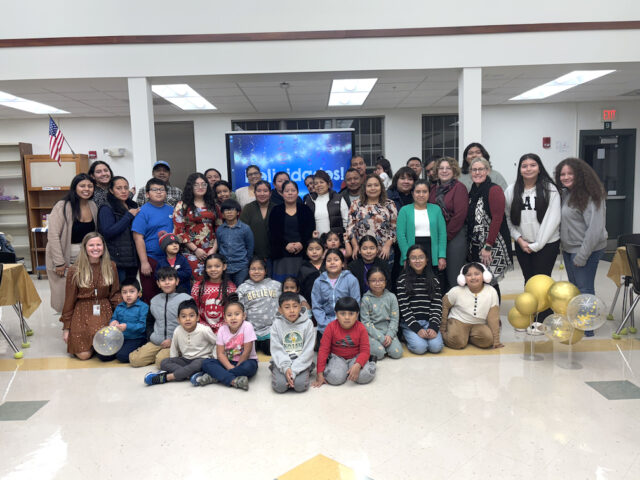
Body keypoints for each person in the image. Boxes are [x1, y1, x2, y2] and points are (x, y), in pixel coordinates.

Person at [60, 232, 121, 360]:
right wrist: (66, 328)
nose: (95, 248)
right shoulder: (74, 270)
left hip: (104, 309)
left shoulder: (111, 266)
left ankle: (95, 345)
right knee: (83, 355)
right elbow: (69, 300)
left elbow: (115, 294)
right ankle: (93, 346)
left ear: (103, 247)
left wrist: (121, 317)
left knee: (106, 349)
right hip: (82, 311)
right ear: (85, 248)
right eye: (91, 245)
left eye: (98, 244)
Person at [554, 158, 607, 297]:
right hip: (569, 249)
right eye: (562, 174)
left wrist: (582, 255)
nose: (565, 177)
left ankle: (587, 319)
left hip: (585, 249)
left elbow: (595, 229)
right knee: (575, 289)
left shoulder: (592, 195)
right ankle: (579, 317)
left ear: (580, 174)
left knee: (585, 290)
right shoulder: (567, 193)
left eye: (570, 173)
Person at [505, 153, 561, 284]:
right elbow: (508, 218)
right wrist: (519, 239)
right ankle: (530, 305)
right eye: (524, 166)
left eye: (533, 165)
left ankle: (545, 306)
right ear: (519, 169)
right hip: (523, 245)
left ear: (539, 168)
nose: (528, 169)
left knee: (542, 281)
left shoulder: (550, 189)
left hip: (547, 244)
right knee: (529, 280)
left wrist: (537, 245)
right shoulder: (511, 190)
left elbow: (552, 221)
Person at [46, 173, 97, 313]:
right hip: (65, 255)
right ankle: (67, 324)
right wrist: (59, 262)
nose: (86, 189)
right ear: (75, 188)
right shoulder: (63, 206)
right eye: (82, 186)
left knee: (85, 290)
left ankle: (81, 322)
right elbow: (53, 236)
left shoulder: (93, 205)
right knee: (65, 293)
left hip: (86, 255)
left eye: (90, 186)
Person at [467, 157, 513, 300]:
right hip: (476, 244)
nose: (477, 172)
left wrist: (488, 246)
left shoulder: (494, 189)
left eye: (481, 169)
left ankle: (493, 317)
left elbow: (498, 218)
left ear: (487, 171)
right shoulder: (473, 191)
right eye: (474, 170)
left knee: (490, 281)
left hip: (492, 244)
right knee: (480, 280)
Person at [192, 295, 259, 390]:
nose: (233, 318)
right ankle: (233, 380)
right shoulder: (222, 329)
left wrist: (235, 367)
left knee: (249, 367)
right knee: (206, 363)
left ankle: (215, 377)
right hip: (228, 362)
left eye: (237, 314)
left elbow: (247, 352)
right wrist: (229, 367)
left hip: (246, 361)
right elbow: (220, 354)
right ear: (224, 318)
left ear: (244, 316)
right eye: (229, 315)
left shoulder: (247, 326)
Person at [129, 267, 191, 367]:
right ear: (158, 283)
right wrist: (151, 336)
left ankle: (175, 354)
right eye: (163, 280)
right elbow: (149, 321)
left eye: (170, 279)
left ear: (177, 281)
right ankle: (159, 353)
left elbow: (191, 325)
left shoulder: (185, 299)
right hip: (157, 340)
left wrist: (174, 341)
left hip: (175, 341)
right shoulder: (154, 300)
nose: (167, 283)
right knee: (135, 360)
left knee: (160, 362)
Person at [144, 299, 217, 385]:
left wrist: (214, 358)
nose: (188, 319)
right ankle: (190, 374)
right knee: (164, 362)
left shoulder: (204, 330)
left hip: (202, 359)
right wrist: (173, 360)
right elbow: (174, 348)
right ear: (178, 319)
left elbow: (217, 343)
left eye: (191, 315)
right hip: (185, 360)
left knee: (198, 364)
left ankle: (166, 377)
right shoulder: (177, 330)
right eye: (183, 316)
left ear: (197, 318)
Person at [313, 296, 376, 387]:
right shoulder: (330, 327)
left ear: (357, 314)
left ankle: (372, 361)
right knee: (334, 379)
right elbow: (323, 350)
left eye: (351, 314)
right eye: (342, 314)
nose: (347, 317)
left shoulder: (361, 328)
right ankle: (343, 369)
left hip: (356, 357)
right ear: (336, 314)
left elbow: (365, 350)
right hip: (337, 357)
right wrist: (320, 373)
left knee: (364, 376)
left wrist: (358, 364)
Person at [131, 178, 175, 304]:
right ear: (147, 194)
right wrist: (144, 262)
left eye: (162, 189)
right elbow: (138, 238)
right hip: (151, 259)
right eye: (154, 190)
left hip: (170, 258)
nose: (159, 192)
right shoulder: (143, 211)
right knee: (151, 296)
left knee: (171, 295)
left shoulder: (171, 210)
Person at [428, 158, 469, 291]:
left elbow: (459, 216)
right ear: (436, 171)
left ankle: (457, 310)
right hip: (436, 237)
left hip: (454, 235)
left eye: (448, 168)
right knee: (438, 276)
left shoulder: (459, 188)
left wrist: (444, 237)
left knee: (454, 276)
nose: (444, 171)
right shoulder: (433, 189)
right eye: (441, 168)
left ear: (454, 170)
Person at [441, 263, 503, 350]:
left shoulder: (491, 292)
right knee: (457, 343)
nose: (473, 277)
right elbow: (444, 306)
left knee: (488, 340)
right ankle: (460, 335)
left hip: (479, 324)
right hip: (458, 321)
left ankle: (466, 336)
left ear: (484, 276)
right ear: (463, 278)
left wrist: (496, 340)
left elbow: (493, 317)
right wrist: (442, 331)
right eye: (469, 275)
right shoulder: (456, 291)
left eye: (477, 274)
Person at [396, 244, 443, 355]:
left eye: (421, 257)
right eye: (413, 258)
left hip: (429, 321)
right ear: (408, 261)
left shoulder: (434, 280)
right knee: (420, 348)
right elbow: (404, 308)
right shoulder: (402, 281)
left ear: (427, 260)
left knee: (436, 347)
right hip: (410, 323)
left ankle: (423, 335)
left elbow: (437, 305)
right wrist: (417, 328)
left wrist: (433, 326)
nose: (417, 261)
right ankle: (405, 335)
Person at [396, 179, 447, 278]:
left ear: (429, 193)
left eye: (424, 191)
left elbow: (442, 234)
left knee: (433, 282)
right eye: (418, 192)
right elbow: (401, 235)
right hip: (412, 250)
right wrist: (407, 256)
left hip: (432, 251)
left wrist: (441, 256)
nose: (421, 195)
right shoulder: (404, 210)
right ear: (412, 193)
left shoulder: (436, 209)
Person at [173, 172, 217, 282]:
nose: (200, 187)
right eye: (196, 184)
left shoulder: (213, 205)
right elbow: (179, 231)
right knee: (196, 284)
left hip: (212, 251)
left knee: (213, 283)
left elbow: (220, 229)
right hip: (191, 252)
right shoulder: (182, 205)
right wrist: (196, 249)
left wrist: (214, 249)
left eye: (203, 184)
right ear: (190, 187)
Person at [347, 174, 398, 270]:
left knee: (382, 282)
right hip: (362, 252)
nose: (373, 188)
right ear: (364, 188)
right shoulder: (356, 204)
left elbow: (394, 228)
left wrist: (387, 246)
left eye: (376, 185)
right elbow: (350, 228)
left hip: (384, 252)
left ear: (381, 187)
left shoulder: (390, 204)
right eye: (369, 185)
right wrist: (355, 246)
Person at [269, 292, 316, 393]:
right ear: (280, 310)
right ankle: (275, 368)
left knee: (300, 386)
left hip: (301, 361)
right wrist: (286, 368)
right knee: (280, 387)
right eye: (287, 307)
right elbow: (277, 349)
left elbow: (308, 351)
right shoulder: (276, 324)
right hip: (282, 362)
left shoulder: (308, 324)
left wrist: (294, 371)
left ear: (300, 307)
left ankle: (306, 368)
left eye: (295, 306)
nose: (292, 310)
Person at [268, 180, 315, 282]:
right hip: (281, 255)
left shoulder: (305, 209)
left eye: (293, 190)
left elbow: (310, 229)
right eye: (287, 191)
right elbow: (273, 233)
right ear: (282, 193)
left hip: (302, 254)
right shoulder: (276, 210)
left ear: (297, 192)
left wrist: (301, 243)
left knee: (302, 284)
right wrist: (286, 245)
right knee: (282, 285)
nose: (290, 193)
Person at [311, 249, 360, 341]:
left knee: (347, 349)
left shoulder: (351, 280)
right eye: (329, 260)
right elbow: (317, 306)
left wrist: (345, 322)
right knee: (326, 350)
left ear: (342, 264)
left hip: (347, 322)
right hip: (326, 325)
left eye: (336, 260)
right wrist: (326, 324)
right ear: (325, 264)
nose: (332, 263)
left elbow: (355, 304)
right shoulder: (318, 282)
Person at [98, 176, 140, 283]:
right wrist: (128, 216)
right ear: (111, 190)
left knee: (132, 291)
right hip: (117, 259)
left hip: (133, 257)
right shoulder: (106, 208)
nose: (123, 191)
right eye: (119, 188)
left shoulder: (133, 205)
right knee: (120, 292)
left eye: (126, 188)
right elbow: (108, 232)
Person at [236, 257, 281, 355]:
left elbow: (289, 297)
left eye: (260, 269)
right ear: (248, 271)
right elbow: (237, 309)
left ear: (266, 271)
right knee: (248, 352)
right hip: (251, 330)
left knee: (270, 351)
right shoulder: (243, 288)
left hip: (271, 330)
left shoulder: (276, 285)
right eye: (253, 269)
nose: (256, 272)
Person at [360, 267, 402, 360]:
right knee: (378, 354)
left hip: (388, 331)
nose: (377, 283)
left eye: (381, 280)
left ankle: (387, 346)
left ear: (385, 282)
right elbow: (366, 323)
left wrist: (389, 335)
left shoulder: (391, 297)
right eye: (374, 280)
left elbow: (395, 319)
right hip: (372, 332)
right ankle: (380, 346)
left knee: (397, 353)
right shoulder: (366, 299)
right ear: (368, 282)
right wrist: (380, 337)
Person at [191, 253, 237, 334]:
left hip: (225, 330)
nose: (213, 269)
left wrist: (223, 329)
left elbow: (232, 311)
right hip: (202, 330)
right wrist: (203, 327)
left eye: (217, 266)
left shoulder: (230, 288)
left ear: (224, 267)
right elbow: (194, 309)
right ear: (205, 269)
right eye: (209, 267)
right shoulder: (197, 287)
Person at [108, 278, 149, 363]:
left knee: (122, 357)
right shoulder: (119, 307)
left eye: (132, 291)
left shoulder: (143, 307)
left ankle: (138, 348)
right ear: (121, 294)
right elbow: (114, 318)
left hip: (136, 338)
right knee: (103, 356)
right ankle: (120, 350)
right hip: (120, 338)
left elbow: (143, 326)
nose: (128, 295)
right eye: (124, 292)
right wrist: (113, 322)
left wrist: (127, 327)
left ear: (139, 293)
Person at [216, 199, 254, 286]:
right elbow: (220, 246)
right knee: (227, 291)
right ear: (222, 214)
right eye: (226, 210)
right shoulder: (220, 230)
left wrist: (246, 262)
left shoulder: (245, 228)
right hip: (225, 267)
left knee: (240, 291)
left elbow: (250, 248)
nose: (229, 212)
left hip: (241, 267)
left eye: (232, 209)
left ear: (238, 212)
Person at [304, 170, 349, 237]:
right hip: (316, 243)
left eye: (321, 182)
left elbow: (346, 220)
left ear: (328, 184)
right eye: (316, 183)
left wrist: (344, 238)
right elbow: (305, 223)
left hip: (336, 241)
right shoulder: (309, 200)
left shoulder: (338, 198)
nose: (319, 185)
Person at [239, 180, 274, 263]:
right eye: (259, 191)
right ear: (255, 193)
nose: (262, 194)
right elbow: (242, 232)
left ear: (270, 193)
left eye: (265, 191)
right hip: (252, 255)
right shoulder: (248, 208)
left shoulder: (276, 208)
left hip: (274, 255)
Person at [298, 238, 325, 307]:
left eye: (318, 249)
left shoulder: (328, 265)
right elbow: (300, 289)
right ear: (306, 252)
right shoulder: (303, 268)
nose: (314, 252)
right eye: (310, 249)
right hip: (310, 304)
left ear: (323, 251)